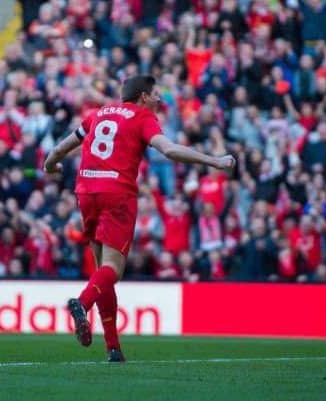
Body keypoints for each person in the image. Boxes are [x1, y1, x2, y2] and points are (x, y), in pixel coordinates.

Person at [43, 75, 235, 362]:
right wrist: (215, 161)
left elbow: (60, 148)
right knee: (112, 270)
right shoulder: (142, 116)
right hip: (117, 193)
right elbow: (169, 150)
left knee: (102, 273)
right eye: (156, 94)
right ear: (144, 96)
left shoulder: (99, 113)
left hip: (86, 190)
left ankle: (113, 348)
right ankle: (81, 304)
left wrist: (50, 165)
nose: (159, 100)